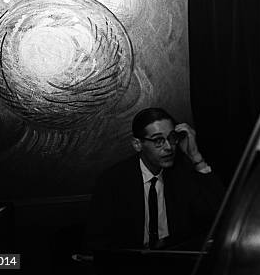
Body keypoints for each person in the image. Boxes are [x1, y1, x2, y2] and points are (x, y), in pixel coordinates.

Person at [83, 107, 224, 252]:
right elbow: (97, 242)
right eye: (158, 140)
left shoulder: (182, 175)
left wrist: (196, 157)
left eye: (171, 138)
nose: (169, 147)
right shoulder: (112, 181)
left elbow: (220, 216)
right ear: (137, 144)